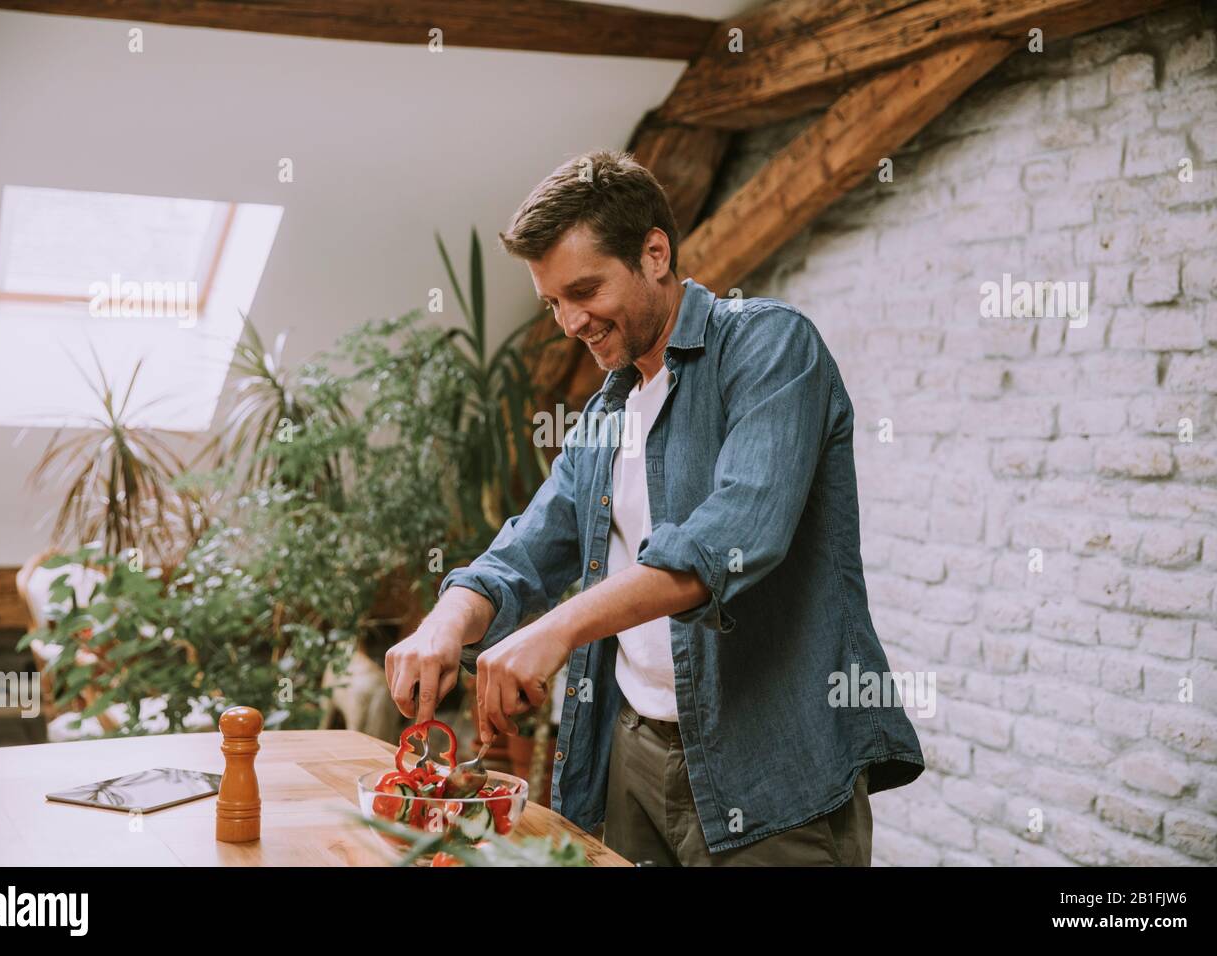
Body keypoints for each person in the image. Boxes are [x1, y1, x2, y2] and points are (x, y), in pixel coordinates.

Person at [386, 148, 924, 866]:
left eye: (585, 290)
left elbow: (727, 542)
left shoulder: (768, 347)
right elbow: (530, 543)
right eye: (553, 303)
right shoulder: (609, 410)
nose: (571, 321)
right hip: (633, 751)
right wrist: (446, 623)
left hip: (769, 763)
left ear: (655, 252)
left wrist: (557, 631)